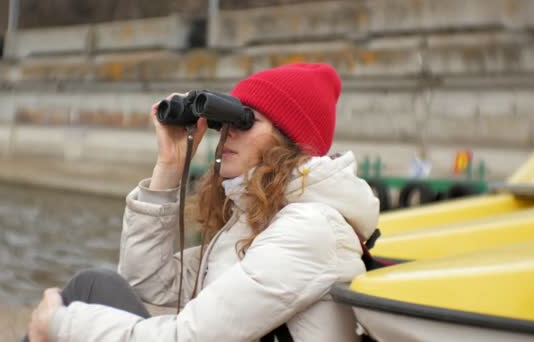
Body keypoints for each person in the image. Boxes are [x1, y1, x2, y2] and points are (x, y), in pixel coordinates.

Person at [27, 62, 380, 341]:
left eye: (246, 121)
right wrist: (169, 168)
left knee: (73, 306)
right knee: (95, 285)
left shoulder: (310, 229)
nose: (228, 132)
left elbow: (187, 337)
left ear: (288, 144)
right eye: (226, 121)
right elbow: (147, 283)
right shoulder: (254, 223)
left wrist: (59, 324)